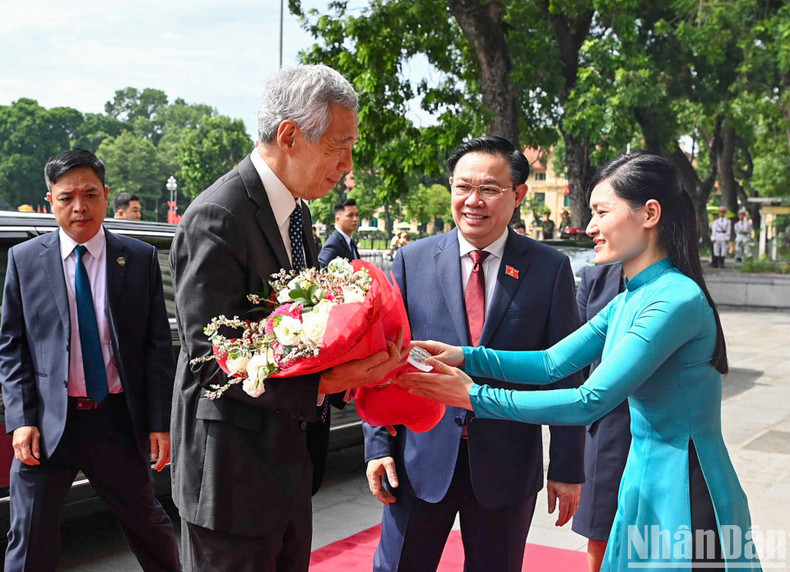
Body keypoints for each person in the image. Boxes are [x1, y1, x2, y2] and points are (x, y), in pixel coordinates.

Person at [398, 152, 762, 571]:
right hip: (643, 478)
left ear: (650, 214)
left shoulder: (673, 300)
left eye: (602, 212)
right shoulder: (632, 298)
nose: (590, 227)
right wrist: (466, 355)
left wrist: (473, 396)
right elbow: (552, 362)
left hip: (687, 483)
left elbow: (590, 399)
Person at [169, 64, 405, 572]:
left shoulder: (297, 213)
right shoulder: (219, 217)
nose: (347, 164)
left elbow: (302, 330)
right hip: (232, 480)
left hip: (289, 468)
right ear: (290, 135)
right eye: (338, 146)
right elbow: (212, 363)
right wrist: (327, 382)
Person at [364, 136, 585, 572]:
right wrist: (377, 446)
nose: (473, 201)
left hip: (507, 463)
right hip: (419, 459)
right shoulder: (412, 260)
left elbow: (565, 374)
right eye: (463, 187)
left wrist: (567, 466)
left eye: (489, 189)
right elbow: (385, 359)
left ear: (518, 195)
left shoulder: (549, 269)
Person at [0, 149, 180, 571]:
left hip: (115, 420)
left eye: (89, 194)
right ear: (50, 201)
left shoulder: (137, 258)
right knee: (29, 538)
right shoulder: (25, 261)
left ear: (105, 195)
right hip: (47, 426)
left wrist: (159, 422)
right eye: (66, 197)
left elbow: (156, 346)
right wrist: (22, 417)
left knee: (149, 526)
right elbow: (12, 344)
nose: (78, 206)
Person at [572, 263, 630, 572]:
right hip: (605, 426)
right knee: (601, 529)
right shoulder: (595, 279)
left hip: (660, 432)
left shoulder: (681, 289)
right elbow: (562, 362)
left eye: (603, 212)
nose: (593, 227)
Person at [318, 197, 360, 266]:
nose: (355, 219)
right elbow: (322, 268)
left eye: (357, 215)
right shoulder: (333, 243)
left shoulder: (350, 242)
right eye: (350, 215)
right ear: (337, 219)